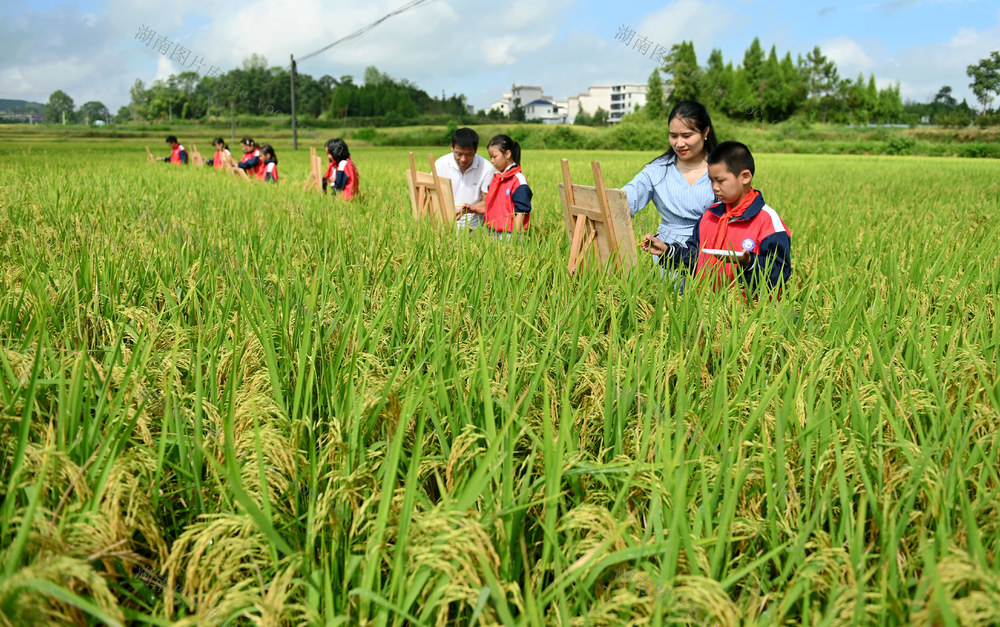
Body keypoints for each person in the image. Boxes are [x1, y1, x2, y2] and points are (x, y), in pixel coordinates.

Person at [643, 141, 791, 297]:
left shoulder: (768, 222)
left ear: (745, 177)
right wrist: (667, 251)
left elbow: (780, 274)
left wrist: (748, 262)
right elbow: (696, 260)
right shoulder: (709, 216)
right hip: (704, 307)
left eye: (720, 181)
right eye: (711, 180)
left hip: (747, 313)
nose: (714, 187)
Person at [626, 101, 718, 265]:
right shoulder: (657, 170)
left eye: (687, 136)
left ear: (706, 131)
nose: (679, 143)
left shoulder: (722, 169)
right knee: (667, 291)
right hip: (666, 254)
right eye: (673, 136)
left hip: (710, 253)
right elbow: (624, 200)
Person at [435, 128, 494, 231]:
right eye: (459, 153)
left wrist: (469, 209)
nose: (463, 159)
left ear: (476, 150)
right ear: (452, 147)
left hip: (474, 227)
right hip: (444, 224)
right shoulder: (440, 164)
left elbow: (487, 201)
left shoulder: (487, 168)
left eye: (469, 154)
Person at [474, 134, 531, 239]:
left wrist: (514, 237)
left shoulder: (518, 180)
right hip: (491, 232)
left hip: (509, 235)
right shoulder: (496, 178)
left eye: (494, 156)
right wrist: (472, 209)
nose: (492, 160)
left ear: (508, 154)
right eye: (490, 157)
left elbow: (521, 212)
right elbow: (492, 208)